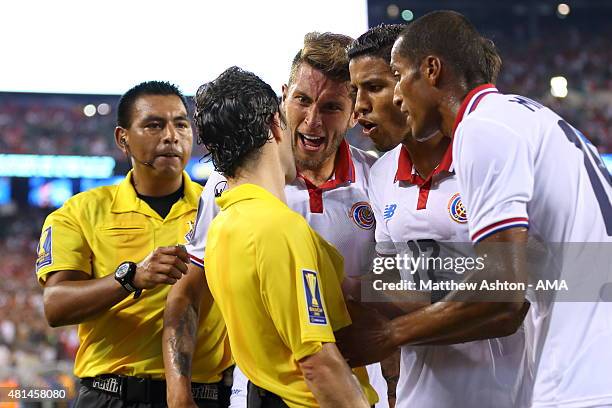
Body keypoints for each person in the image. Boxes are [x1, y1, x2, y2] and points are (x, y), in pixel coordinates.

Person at [387, 10, 612, 407]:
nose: (395, 94)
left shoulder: (481, 128)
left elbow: (500, 291)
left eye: (399, 74)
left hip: (583, 375)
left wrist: (389, 334)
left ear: (432, 69)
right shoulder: (529, 115)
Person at [164, 32, 387, 408]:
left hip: (358, 383)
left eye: (331, 107)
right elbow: (188, 290)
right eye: (302, 100)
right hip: (281, 387)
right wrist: (178, 389)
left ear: (352, 113)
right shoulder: (228, 184)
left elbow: (388, 287)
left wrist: (504, 273)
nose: (312, 121)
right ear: (283, 98)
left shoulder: (378, 179)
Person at [347, 23, 525, 408]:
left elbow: (515, 296)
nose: (359, 106)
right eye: (354, 92)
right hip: (420, 395)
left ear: (407, 81)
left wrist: (390, 330)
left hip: (508, 392)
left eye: (373, 87)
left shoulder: (484, 152)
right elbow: (392, 277)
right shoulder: (380, 175)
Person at [36, 81, 232, 408]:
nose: (171, 135)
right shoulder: (79, 212)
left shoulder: (223, 208)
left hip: (201, 396)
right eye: (154, 125)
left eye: (181, 124)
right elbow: (55, 305)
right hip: (110, 395)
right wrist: (130, 278)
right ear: (122, 138)